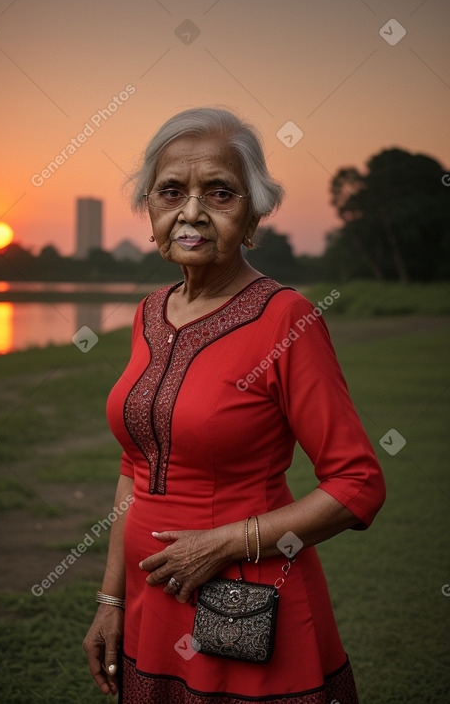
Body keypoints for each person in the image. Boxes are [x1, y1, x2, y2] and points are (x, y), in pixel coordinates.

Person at [83, 107, 386, 703]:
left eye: (219, 193)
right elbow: (135, 469)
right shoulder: (150, 314)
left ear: (253, 215)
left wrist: (221, 544)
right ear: (150, 210)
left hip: (246, 603)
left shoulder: (287, 318)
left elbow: (358, 484)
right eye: (172, 192)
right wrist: (111, 600)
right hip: (153, 604)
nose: (191, 212)